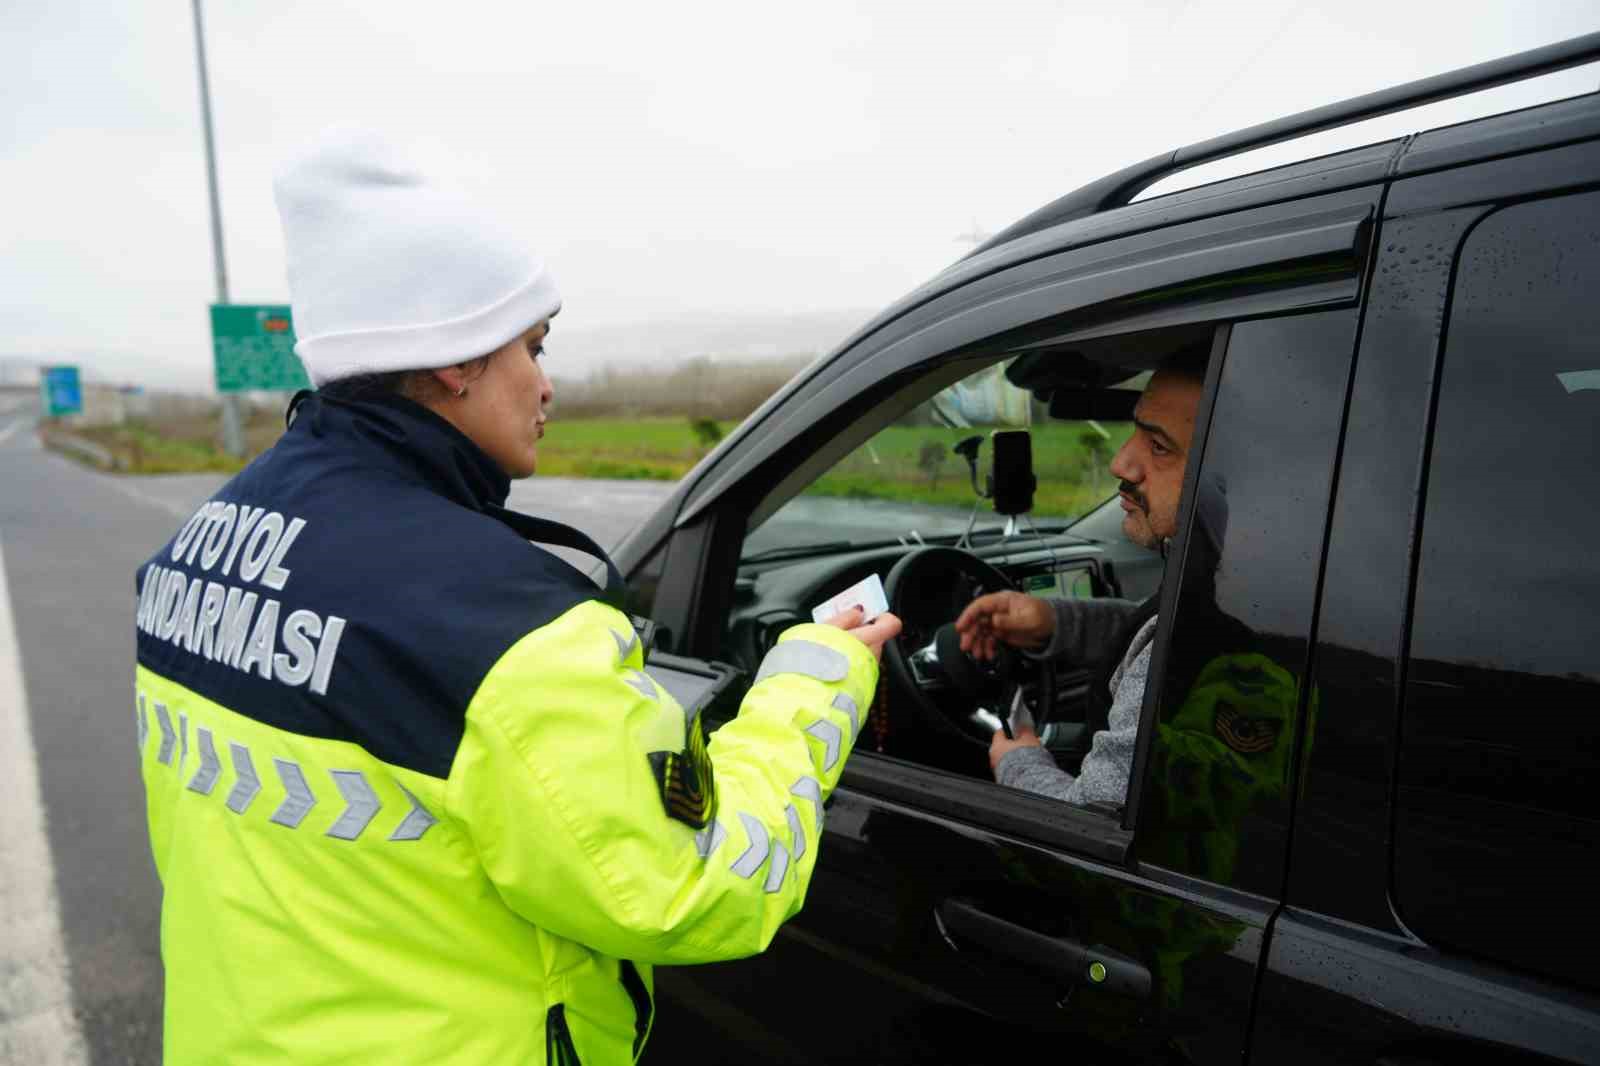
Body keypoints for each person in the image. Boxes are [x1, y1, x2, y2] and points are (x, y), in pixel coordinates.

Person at [132, 127, 900, 1065]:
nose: (546, 385)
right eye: (532, 348)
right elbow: (697, 890)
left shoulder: (195, 551)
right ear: (457, 360)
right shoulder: (504, 629)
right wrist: (815, 681)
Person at [953, 354, 1205, 807]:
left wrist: (1017, 763)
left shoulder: (1193, 647)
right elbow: (1147, 630)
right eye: (1134, 431)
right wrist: (1055, 622)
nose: (1121, 463)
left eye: (1159, 446)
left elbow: (1093, 818)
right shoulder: (1230, 585)